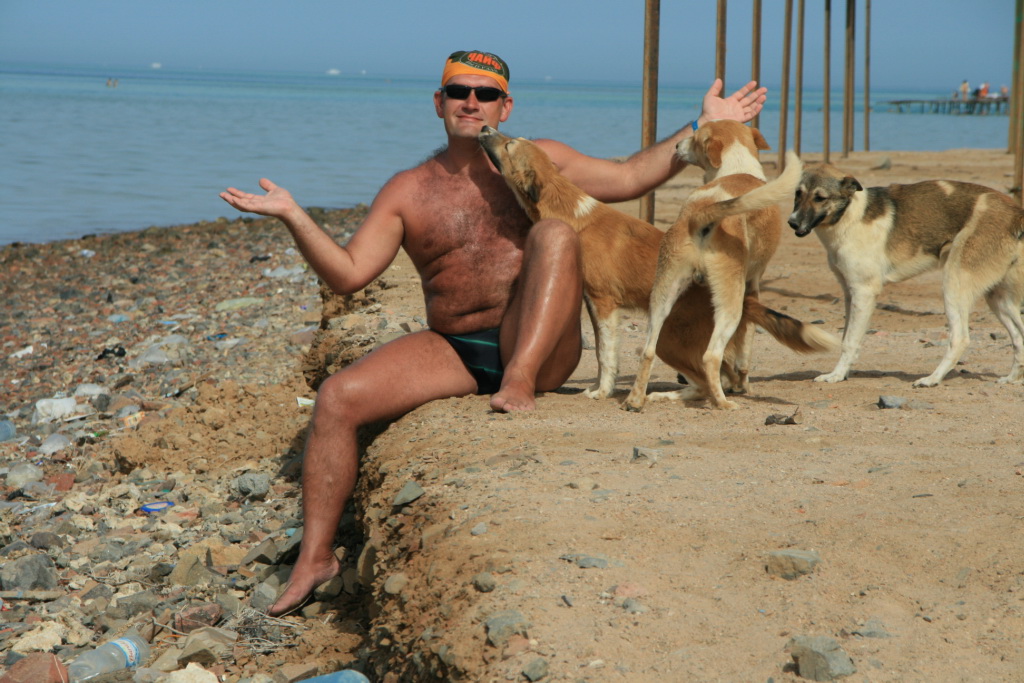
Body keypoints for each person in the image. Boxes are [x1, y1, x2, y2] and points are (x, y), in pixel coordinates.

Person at [220, 49, 766, 616]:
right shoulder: (408, 189)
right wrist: (294, 215)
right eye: (459, 92)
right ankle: (315, 559)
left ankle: (518, 380)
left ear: (506, 107)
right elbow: (349, 273)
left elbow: (630, 175)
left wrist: (702, 124)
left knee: (555, 234)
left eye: (486, 94)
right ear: (439, 103)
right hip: (454, 347)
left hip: (540, 345)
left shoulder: (541, 160)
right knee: (336, 397)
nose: (471, 102)